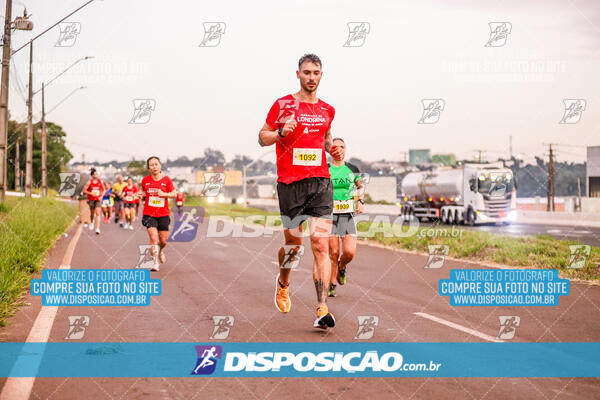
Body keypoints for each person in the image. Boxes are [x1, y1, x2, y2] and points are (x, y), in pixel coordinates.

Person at [258, 53, 343, 330]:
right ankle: (283, 282)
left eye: (316, 73)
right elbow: (262, 137)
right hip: (290, 184)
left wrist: (331, 148)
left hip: (320, 181)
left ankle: (321, 308)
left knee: (320, 244)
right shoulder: (282, 104)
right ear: (298, 74)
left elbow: (326, 137)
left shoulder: (327, 110)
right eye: (306, 72)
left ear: (321, 75)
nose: (311, 77)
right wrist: (281, 132)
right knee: (294, 247)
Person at [327, 138, 364, 297]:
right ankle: (331, 284)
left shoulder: (352, 169)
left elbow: (360, 186)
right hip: (329, 215)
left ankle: (342, 267)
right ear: (331, 150)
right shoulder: (325, 168)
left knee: (349, 252)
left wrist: (360, 201)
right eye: (336, 147)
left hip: (347, 215)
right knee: (333, 252)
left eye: (342, 147)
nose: (339, 149)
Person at [140, 156, 176, 271]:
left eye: (156, 164)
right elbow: (143, 192)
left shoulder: (167, 180)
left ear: (160, 165)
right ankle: (155, 262)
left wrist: (164, 194)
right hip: (149, 213)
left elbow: (174, 193)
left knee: (163, 241)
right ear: (149, 168)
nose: (154, 167)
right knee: (153, 237)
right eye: (151, 165)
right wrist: (140, 195)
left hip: (163, 214)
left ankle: (160, 251)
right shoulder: (145, 180)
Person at [82, 168, 105, 235]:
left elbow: (104, 190)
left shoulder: (100, 182)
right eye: (95, 174)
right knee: (92, 214)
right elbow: (84, 191)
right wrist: (91, 193)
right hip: (91, 199)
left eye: (97, 174)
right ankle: (92, 221)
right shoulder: (89, 182)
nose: (97, 175)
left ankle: (97, 228)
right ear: (92, 175)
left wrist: (101, 196)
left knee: (98, 213)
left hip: (98, 199)